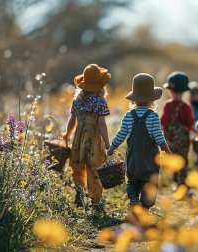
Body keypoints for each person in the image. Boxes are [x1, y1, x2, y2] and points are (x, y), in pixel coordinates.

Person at [107, 73, 171, 211]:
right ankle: (145, 208)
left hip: (133, 161)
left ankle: (134, 200)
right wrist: (166, 148)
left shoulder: (128, 116)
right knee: (149, 184)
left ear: (133, 100)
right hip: (150, 162)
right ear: (152, 100)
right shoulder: (153, 116)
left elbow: (121, 134)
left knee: (132, 182)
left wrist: (112, 147)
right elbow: (158, 136)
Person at [63, 64, 111, 214]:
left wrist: (67, 134)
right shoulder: (100, 102)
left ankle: (80, 192)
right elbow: (101, 124)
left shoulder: (77, 100)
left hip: (78, 138)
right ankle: (96, 201)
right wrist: (108, 143)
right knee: (94, 169)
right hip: (94, 140)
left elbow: (72, 121)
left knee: (78, 167)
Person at [161, 71, 196, 186]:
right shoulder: (186, 106)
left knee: (172, 159)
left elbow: (163, 122)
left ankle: (176, 180)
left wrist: (159, 134)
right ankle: (182, 181)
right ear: (185, 90)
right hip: (183, 141)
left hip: (170, 140)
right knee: (183, 159)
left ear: (170, 90)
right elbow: (190, 123)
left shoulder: (167, 105)